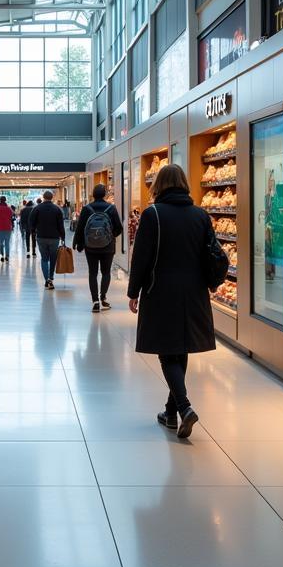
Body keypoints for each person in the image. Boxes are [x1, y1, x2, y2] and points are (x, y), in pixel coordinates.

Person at [127, 164, 225, 440]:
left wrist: (133, 291)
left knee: (167, 351)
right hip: (194, 291)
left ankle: (184, 407)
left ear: (159, 185)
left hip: (161, 290)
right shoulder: (201, 215)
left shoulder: (153, 215)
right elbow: (211, 254)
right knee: (180, 348)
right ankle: (170, 412)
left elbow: (142, 257)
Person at [74, 184, 123, 312]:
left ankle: (95, 301)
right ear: (105, 194)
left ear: (93, 195)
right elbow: (119, 228)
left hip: (90, 247)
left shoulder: (87, 208)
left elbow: (80, 227)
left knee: (93, 273)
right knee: (106, 272)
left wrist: (78, 242)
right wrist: (110, 236)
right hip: (108, 247)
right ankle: (103, 297)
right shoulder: (111, 208)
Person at [28, 190, 65, 290]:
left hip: (41, 237)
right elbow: (61, 225)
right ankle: (51, 277)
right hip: (54, 238)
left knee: (44, 259)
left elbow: (31, 222)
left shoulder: (37, 208)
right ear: (52, 197)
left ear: (44, 197)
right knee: (53, 258)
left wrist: (33, 231)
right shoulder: (57, 210)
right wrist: (63, 237)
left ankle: (46, 279)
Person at [0, 196, 14, 263]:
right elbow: (12, 216)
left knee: (1, 243)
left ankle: (2, 255)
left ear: (0, 200)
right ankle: (7, 256)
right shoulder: (9, 208)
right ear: (5, 200)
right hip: (8, 227)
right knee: (7, 242)